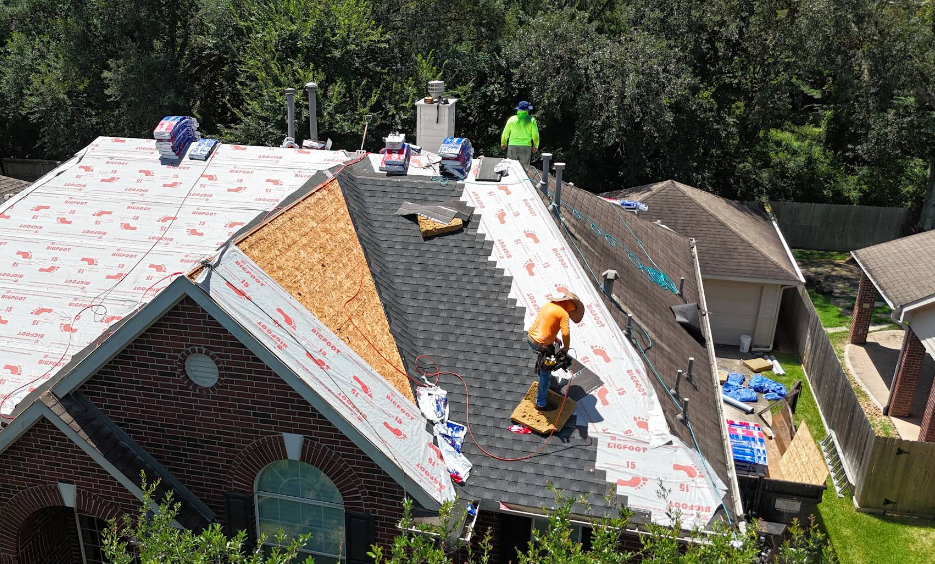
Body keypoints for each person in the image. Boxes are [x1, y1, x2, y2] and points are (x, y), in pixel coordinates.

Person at [526, 292, 584, 410]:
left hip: (531, 338)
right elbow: (566, 333)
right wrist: (566, 348)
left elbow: (545, 325)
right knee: (546, 373)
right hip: (541, 344)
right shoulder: (563, 313)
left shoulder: (548, 305)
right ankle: (540, 404)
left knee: (547, 353)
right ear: (570, 305)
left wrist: (555, 338)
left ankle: (540, 366)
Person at [500, 101, 540, 165]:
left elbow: (505, 132)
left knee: (511, 168)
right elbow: (535, 135)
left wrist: (503, 143)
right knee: (524, 169)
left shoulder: (511, 119)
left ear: (518, 109)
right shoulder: (531, 120)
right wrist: (536, 145)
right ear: (527, 110)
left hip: (512, 146)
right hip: (526, 147)